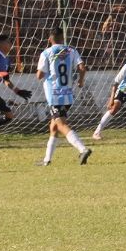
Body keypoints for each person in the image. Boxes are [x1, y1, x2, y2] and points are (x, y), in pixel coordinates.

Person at [36, 27, 92, 166]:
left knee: (61, 125)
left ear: (50, 39)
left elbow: (39, 75)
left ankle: (83, 149)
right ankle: (47, 160)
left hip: (54, 94)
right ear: (63, 38)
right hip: (68, 94)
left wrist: (44, 72)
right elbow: (82, 68)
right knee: (54, 126)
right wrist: (80, 80)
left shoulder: (46, 52)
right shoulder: (72, 50)